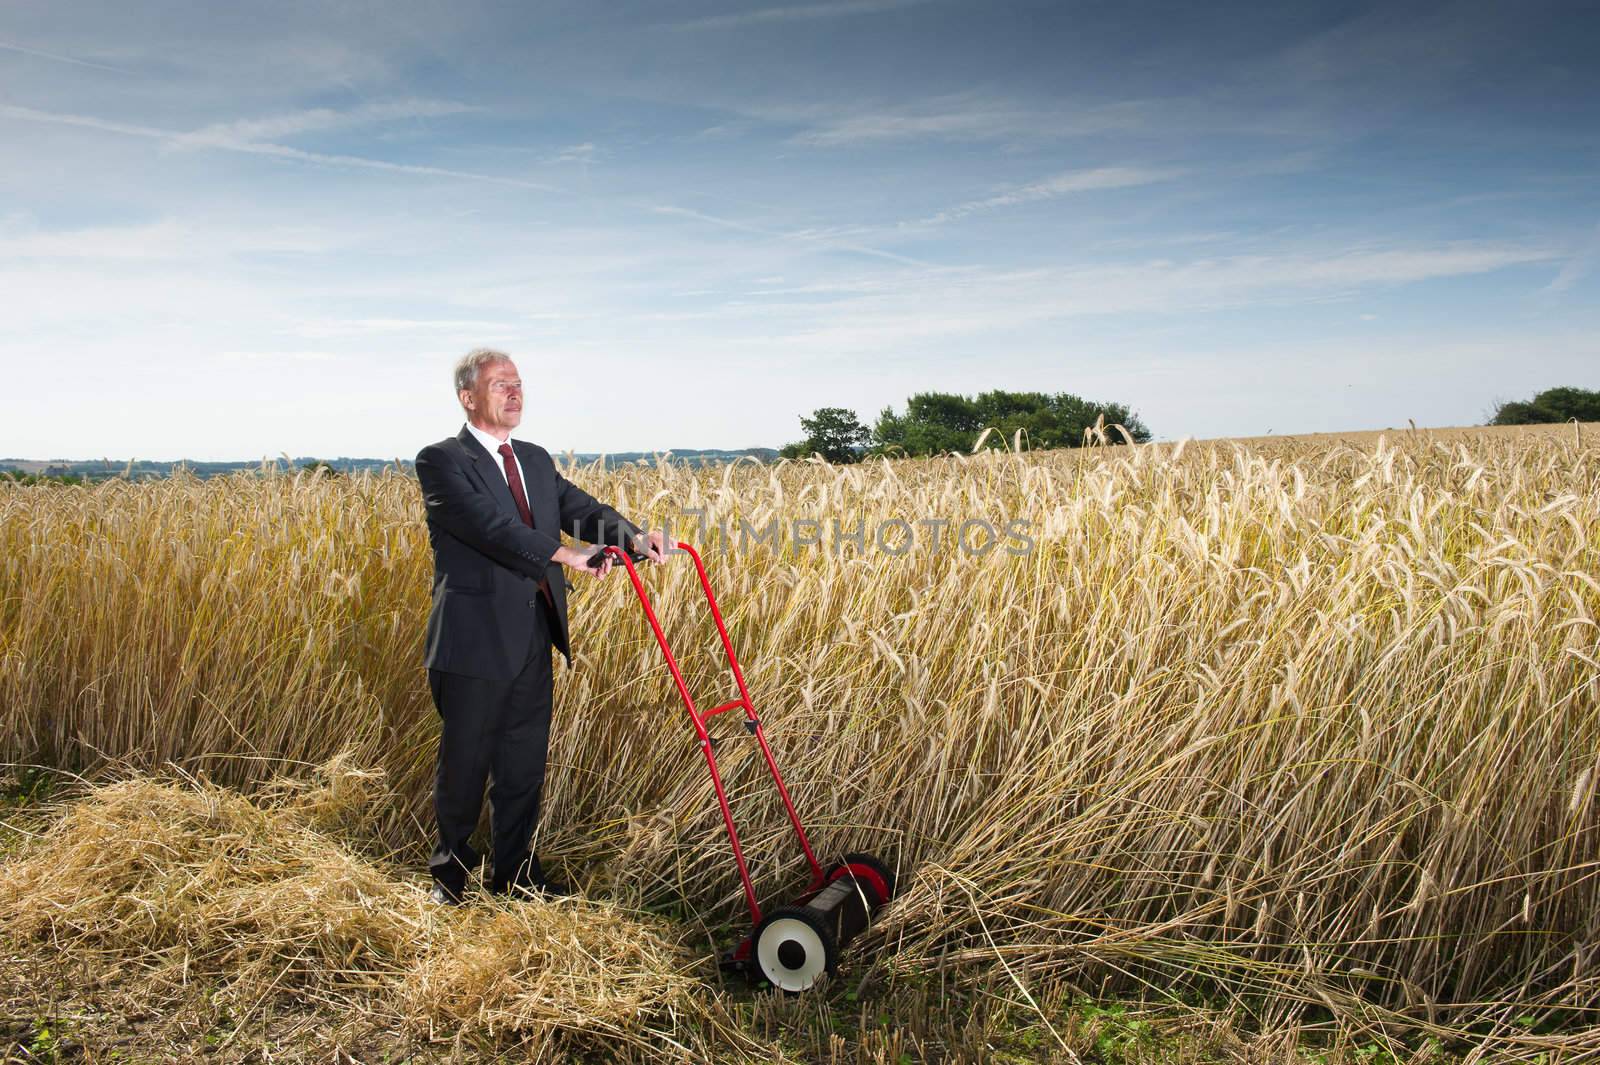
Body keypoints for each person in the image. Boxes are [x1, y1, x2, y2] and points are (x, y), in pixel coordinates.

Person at [414, 348, 667, 904]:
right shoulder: (441, 461)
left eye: (518, 383)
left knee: (523, 762)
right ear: (468, 397)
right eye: (501, 384)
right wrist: (567, 555)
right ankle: (449, 882)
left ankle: (514, 875)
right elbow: (491, 527)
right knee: (465, 764)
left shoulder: (532, 457)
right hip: (473, 641)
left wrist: (635, 537)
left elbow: (578, 506)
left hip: (534, 631)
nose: (514, 392)